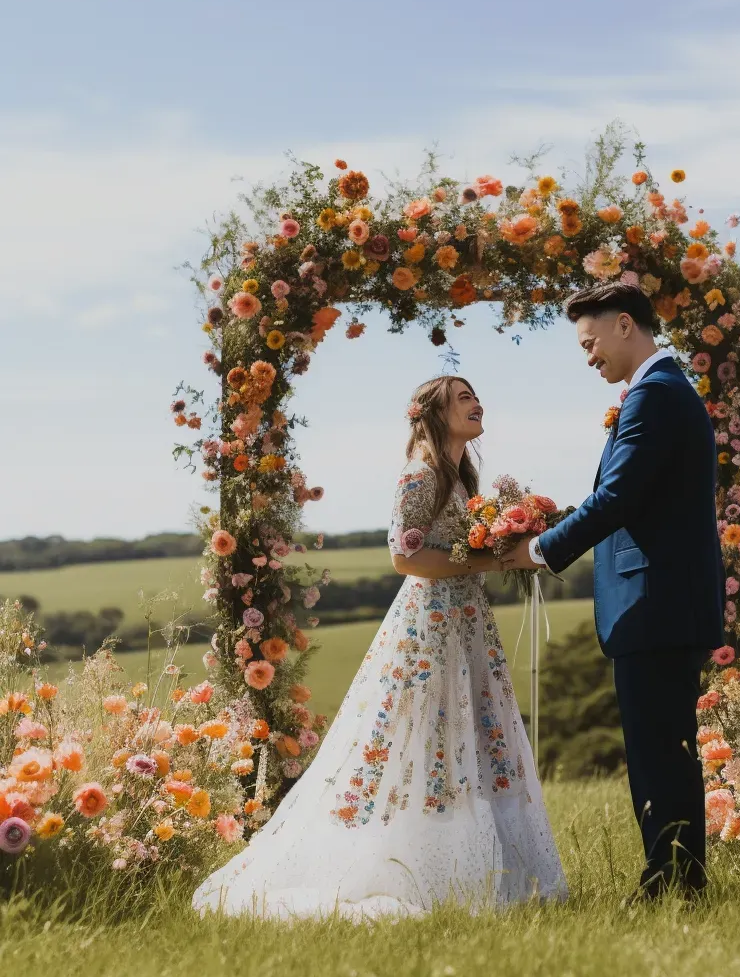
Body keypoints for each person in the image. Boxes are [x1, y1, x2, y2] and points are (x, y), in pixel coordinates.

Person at [193, 375, 567, 921]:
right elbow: (407, 559)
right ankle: (415, 866)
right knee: (427, 738)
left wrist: (503, 542)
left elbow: (456, 546)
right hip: (431, 626)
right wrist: (497, 559)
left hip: (465, 620)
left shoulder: (459, 476)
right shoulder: (420, 475)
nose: (477, 403)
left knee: (466, 736)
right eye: (463, 398)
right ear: (434, 414)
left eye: (476, 395)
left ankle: (485, 870)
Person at [500, 281, 725, 902]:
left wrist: (540, 548)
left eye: (590, 341)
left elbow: (617, 497)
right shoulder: (664, 392)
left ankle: (671, 885)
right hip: (666, 605)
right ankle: (679, 881)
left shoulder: (654, 396)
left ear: (626, 325)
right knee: (664, 753)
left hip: (656, 605)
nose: (588, 355)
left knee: (658, 757)